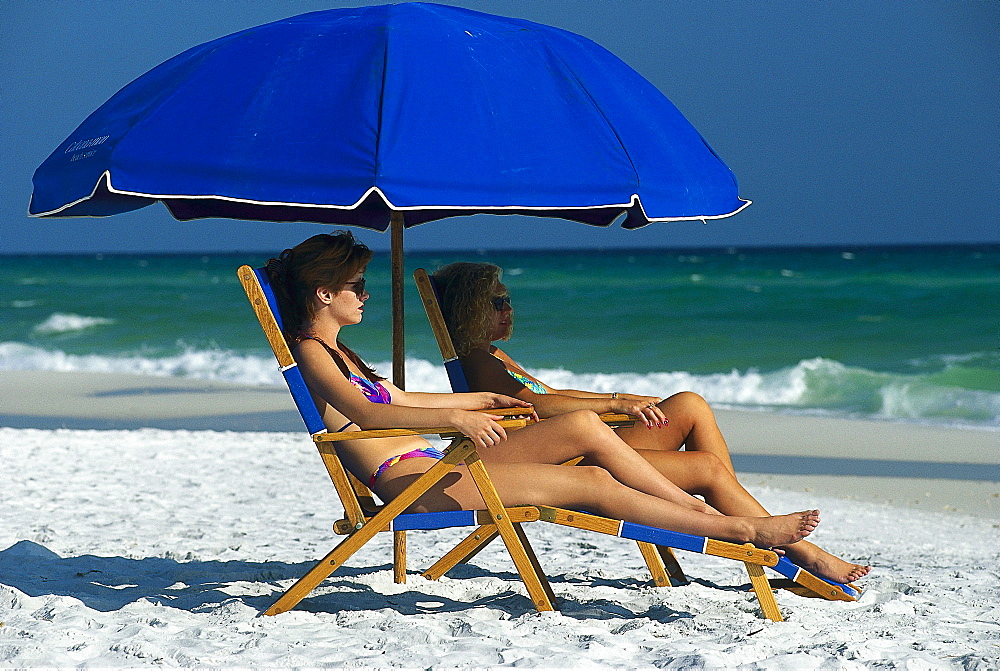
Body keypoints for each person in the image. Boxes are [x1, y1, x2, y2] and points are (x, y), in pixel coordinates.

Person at [262, 231, 822, 550]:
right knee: (594, 483)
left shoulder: (342, 352)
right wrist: (457, 422)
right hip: (414, 484)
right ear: (322, 292)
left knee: (582, 428)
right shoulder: (312, 351)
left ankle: (720, 522)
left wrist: (475, 401)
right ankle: (736, 529)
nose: (364, 295)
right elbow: (365, 412)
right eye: (356, 287)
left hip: (436, 464)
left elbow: (401, 402)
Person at [432, 261, 870, 584]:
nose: (509, 309)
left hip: (581, 446)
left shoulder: (493, 355)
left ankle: (737, 514)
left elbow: (549, 395)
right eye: (498, 301)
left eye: (508, 299)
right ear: (472, 308)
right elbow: (536, 408)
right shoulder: (478, 359)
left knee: (689, 404)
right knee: (707, 469)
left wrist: (622, 403)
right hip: (564, 461)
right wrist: (615, 402)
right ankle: (802, 552)